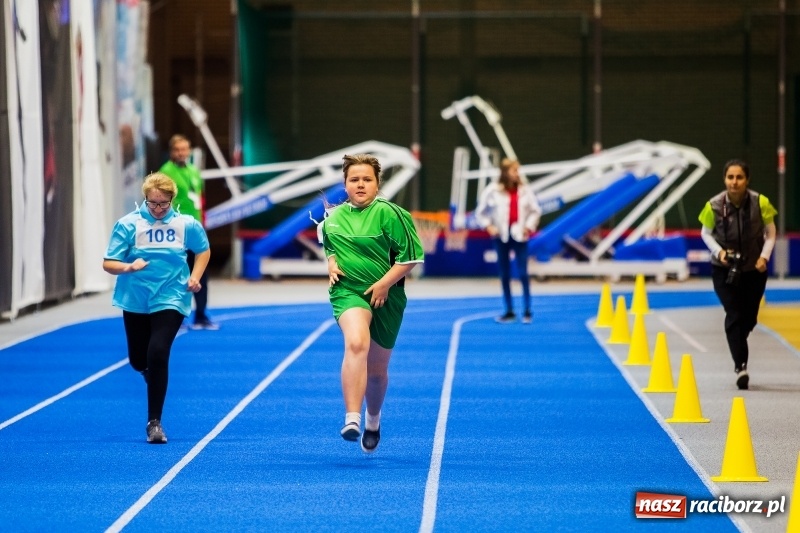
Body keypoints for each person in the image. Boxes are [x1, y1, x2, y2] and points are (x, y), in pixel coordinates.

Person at [321, 154, 425, 453]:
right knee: (355, 344)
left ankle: (373, 419)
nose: (361, 184)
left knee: (377, 372)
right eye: (354, 179)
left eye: (367, 179)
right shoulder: (334, 217)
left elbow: (412, 258)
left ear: (377, 183)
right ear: (345, 184)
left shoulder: (392, 214)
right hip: (348, 291)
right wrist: (331, 263)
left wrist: (383, 284)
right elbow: (329, 243)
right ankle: (351, 419)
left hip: (387, 295)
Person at [103, 172, 211, 443]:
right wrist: (128, 266)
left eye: (163, 204)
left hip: (172, 295)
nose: (159, 209)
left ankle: (154, 423)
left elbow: (203, 250)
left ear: (172, 200)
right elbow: (108, 262)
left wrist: (195, 276)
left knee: (158, 351)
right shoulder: (128, 225)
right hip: (136, 297)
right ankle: (148, 371)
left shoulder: (186, 224)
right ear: (145, 200)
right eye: (153, 204)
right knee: (139, 359)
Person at [698, 159, 777, 390]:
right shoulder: (713, 205)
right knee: (733, 313)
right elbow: (705, 233)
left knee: (748, 318)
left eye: (739, 177)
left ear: (747, 180)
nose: (734, 182)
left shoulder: (761, 202)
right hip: (724, 269)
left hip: (755, 269)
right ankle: (740, 366)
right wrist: (719, 252)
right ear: (724, 179)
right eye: (730, 177)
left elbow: (771, 234)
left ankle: (739, 342)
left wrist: (764, 256)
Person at [159, 134, 219, 330]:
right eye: (178, 150)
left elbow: (200, 199)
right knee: (178, 274)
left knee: (201, 273)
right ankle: (176, 317)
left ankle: (201, 315)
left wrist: (203, 222)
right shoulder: (165, 173)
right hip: (176, 231)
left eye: (185, 149)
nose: (182, 153)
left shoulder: (194, 171)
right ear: (171, 152)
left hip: (197, 230)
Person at [474, 158, 542, 324]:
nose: (517, 174)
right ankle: (509, 310)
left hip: (520, 235)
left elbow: (536, 210)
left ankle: (527, 310)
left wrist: (529, 226)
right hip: (501, 236)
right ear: (505, 172)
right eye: (513, 170)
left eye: (518, 170)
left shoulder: (525, 190)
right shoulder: (493, 190)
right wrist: (489, 226)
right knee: (504, 274)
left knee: (523, 272)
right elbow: (480, 212)